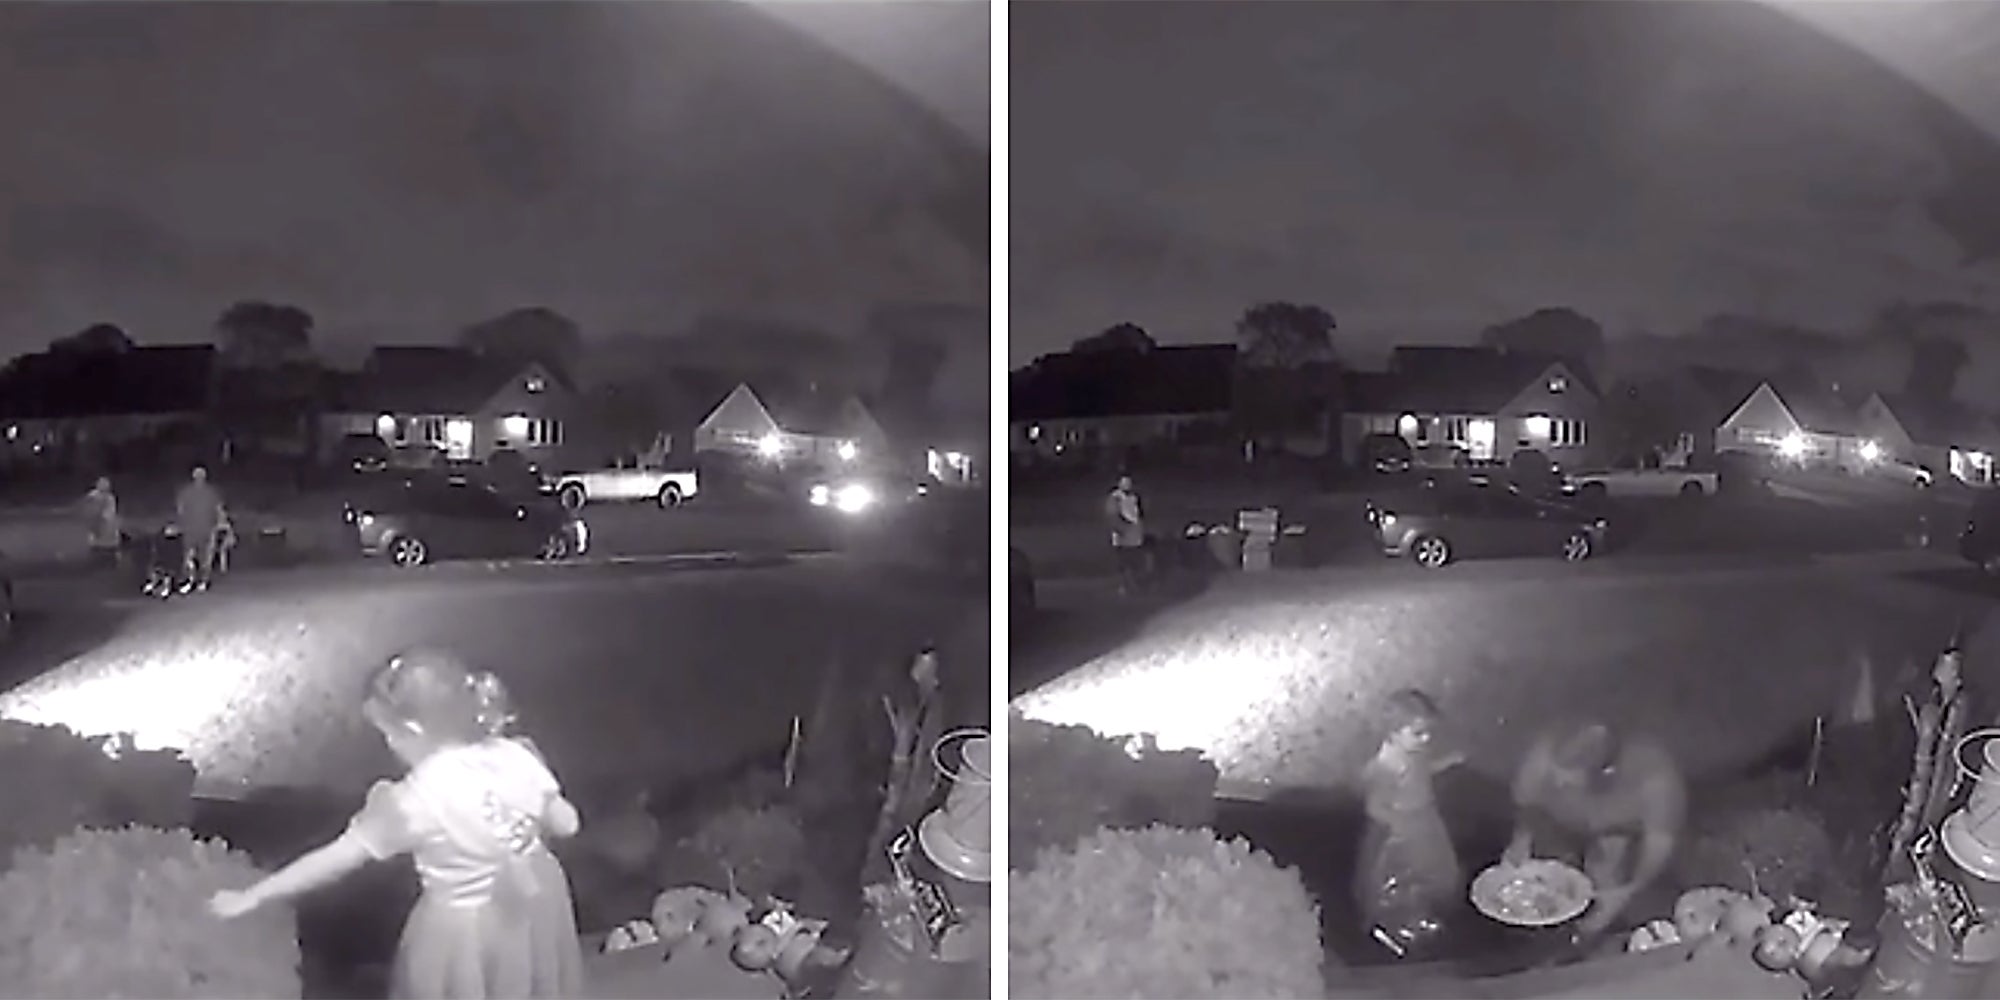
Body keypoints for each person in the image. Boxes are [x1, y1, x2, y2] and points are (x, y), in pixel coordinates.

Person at [210, 648, 585, 999]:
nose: (389, 744)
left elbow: (337, 858)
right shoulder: (515, 753)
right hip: (536, 903)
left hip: (464, 928)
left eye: (389, 734)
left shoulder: (414, 801)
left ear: (414, 731)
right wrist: (514, 833)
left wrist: (254, 896)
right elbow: (567, 823)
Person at [1504, 721, 1687, 938]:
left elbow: (1659, 846)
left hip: (1620, 832)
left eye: (1568, 781)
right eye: (1554, 777)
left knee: (1608, 889)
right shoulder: (1543, 751)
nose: (1559, 783)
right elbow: (1526, 802)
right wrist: (1520, 840)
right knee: (1541, 882)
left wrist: (1625, 893)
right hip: (1558, 823)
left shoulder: (1655, 781)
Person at [1355, 688, 1464, 958]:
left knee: (1432, 870)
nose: (1426, 739)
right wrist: (1398, 825)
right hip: (1402, 828)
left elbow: (1421, 770)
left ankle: (1421, 913)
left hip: (1424, 817)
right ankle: (1396, 925)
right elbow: (1375, 806)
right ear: (1393, 732)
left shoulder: (1413, 753)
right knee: (1401, 878)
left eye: (1428, 732)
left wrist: (1445, 764)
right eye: (1418, 733)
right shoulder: (1387, 767)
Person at [174, 466, 226, 591]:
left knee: (192, 555)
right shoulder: (210, 491)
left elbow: (180, 509)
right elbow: (219, 509)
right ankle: (201, 580)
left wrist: (181, 522)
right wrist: (221, 522)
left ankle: (193, 579)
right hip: (204, 528)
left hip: (195, 528)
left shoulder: (187, 492)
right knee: (203, 556)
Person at [1103, 474, 1147, 595]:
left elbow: (1138, 514)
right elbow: (1113, 517)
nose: (1127, 485)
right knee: (1123, 563)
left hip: (1135, 537)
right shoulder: (1115, 498)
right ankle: (1124, 586)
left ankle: (1135, 585)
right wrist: (1122, 530)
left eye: (1129, 483)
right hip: (1123, 538)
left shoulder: (1134, 497)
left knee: (1135, 562)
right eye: (1124, 483)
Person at [77, 476, 122, 569]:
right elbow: (88, 510)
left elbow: (108, 515)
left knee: (106, 541)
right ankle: (101, 562)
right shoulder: (93, 496)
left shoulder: (109, 498)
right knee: (98, 542)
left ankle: (109, 561)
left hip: (105, 526)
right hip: (99, 525)